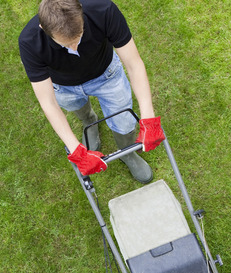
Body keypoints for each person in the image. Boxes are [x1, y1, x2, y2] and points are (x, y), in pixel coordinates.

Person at [18, 0, 165, 182]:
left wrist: (149, 117)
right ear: (43, 27)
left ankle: (128, 153)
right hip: (64, 86)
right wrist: (75, 150)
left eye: (78, 36)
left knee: (124, 122)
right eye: (66, 43)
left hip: (107, 75)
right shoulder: (29, 41)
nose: (74, 47)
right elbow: (48, 102)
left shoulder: (104, 10)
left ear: (81, 12)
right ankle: (90, 121)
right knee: (79, 109)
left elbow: (134, 64)